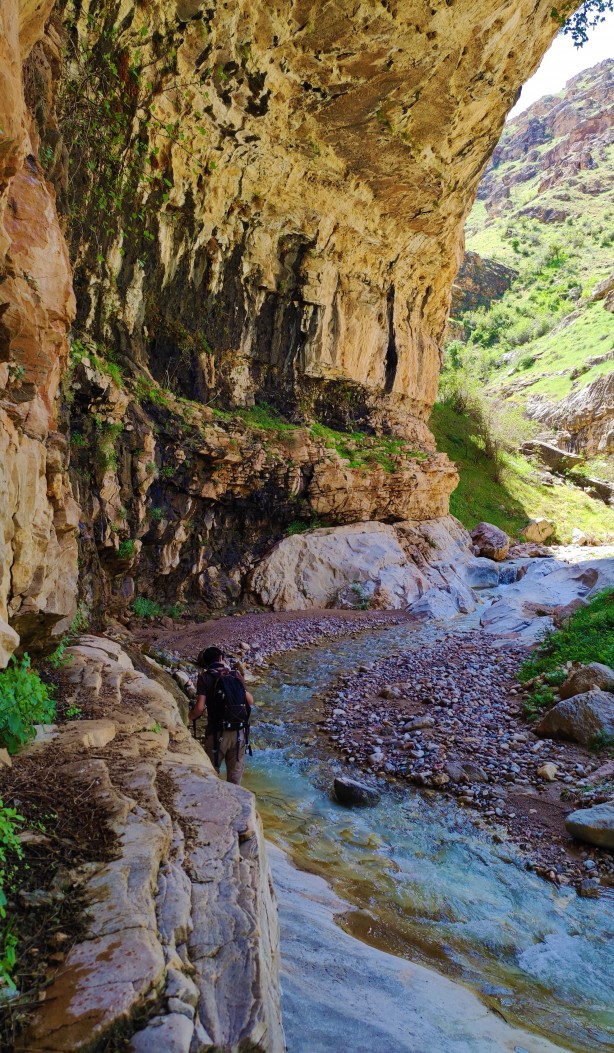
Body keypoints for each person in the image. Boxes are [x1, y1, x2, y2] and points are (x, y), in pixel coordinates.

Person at [189, 645, 253, 785]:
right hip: (239, 733)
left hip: (216, 733)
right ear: (221, 658)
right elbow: (250, 701)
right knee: (235, 780)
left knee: (211, 776)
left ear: (206, 663)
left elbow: (199, 708)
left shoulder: (205, 677)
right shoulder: (236, 674)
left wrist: (190, 717)